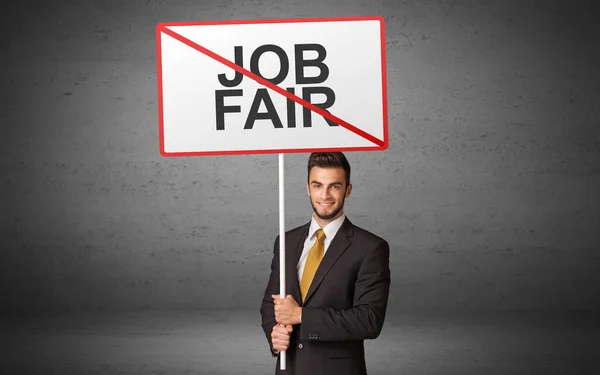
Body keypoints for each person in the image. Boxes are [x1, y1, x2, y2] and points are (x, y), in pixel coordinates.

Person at [260, 152, 391, 375]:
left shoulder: (370, 248)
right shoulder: (286, 242)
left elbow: (369, 320)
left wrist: (301, 315)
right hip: (289, 368)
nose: (325, 195)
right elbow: (270, 303)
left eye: (334, 186)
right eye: (318, 185)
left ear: (347, 190)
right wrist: (274, 331)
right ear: (308, 188)